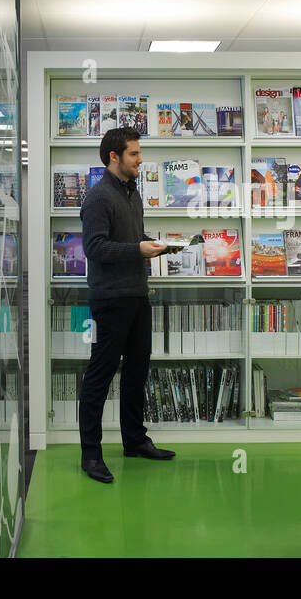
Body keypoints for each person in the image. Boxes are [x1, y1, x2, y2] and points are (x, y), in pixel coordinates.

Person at [78, 127, 174, 483]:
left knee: (137, 372)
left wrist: (158, 244)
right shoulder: (98, 198)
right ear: (114, 157)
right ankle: (91, 455)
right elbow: (95, 248)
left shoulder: (132, 194)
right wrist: (137, 249)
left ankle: (135, 440)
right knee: (99, 378)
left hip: (137, 295)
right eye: (134, 154)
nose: (140, 159)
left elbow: (131, 239)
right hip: (109, 301)